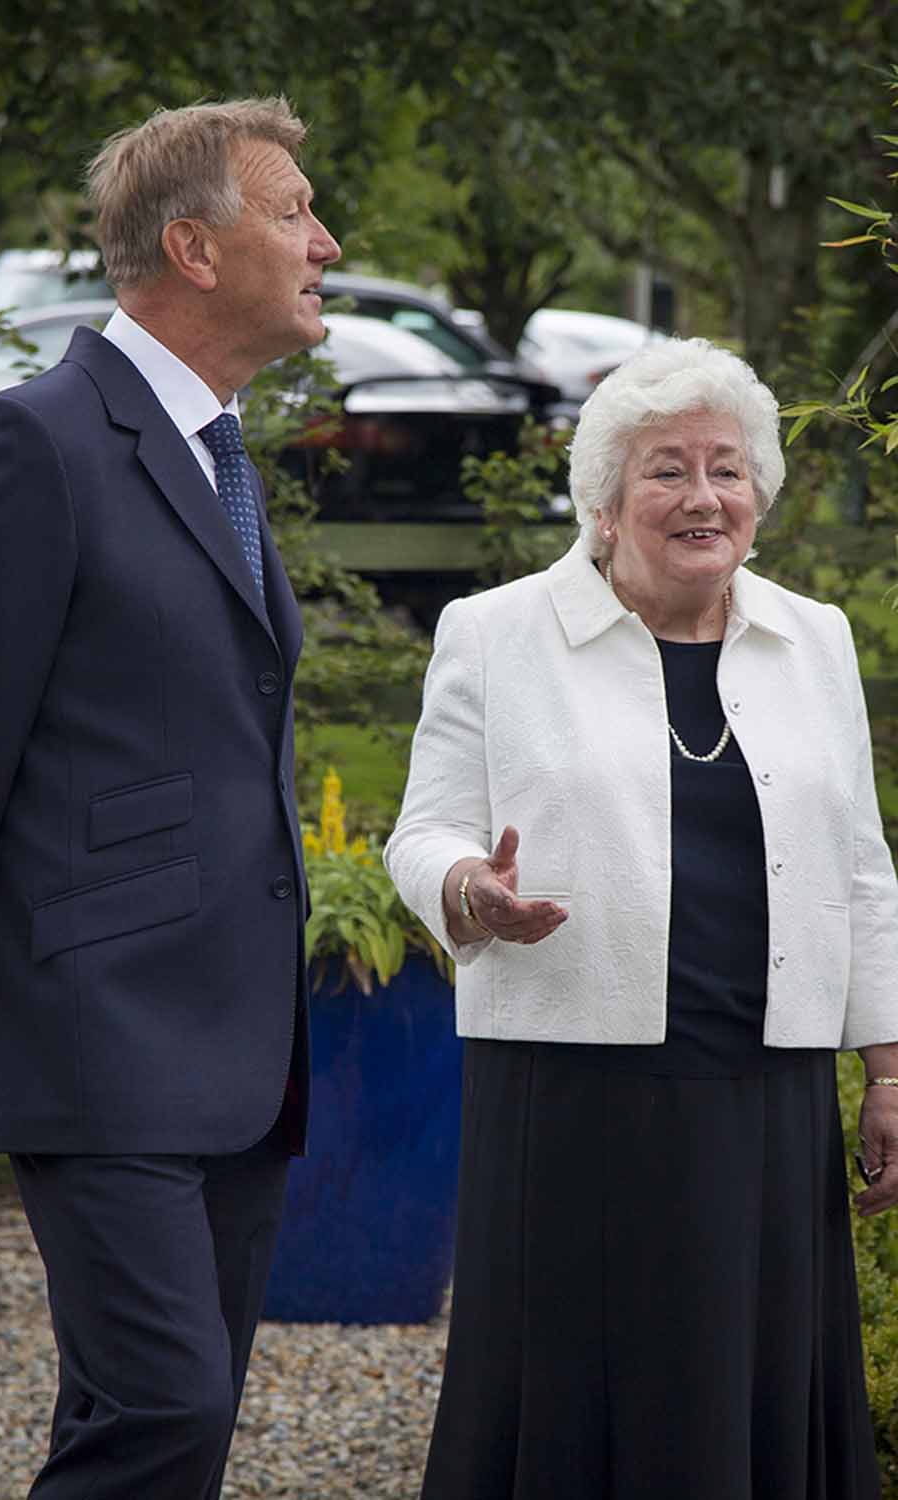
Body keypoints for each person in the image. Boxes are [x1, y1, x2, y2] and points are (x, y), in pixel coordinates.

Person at [0, 98, 340, 1498]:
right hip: (95, 1030)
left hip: (242, 1048)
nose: (327, 242)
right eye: (294, 214)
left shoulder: (223, 453)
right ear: (195, 249)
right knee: (162, 1412)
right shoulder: (33, 446)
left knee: (162, 1429)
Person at [384, 337, 898, 1500]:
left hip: (764, 1091)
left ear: (758, 498)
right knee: (575, 1402)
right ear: (604, 507)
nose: (702, 495)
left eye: (726, 468)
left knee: (750, 1397)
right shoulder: (496, 633)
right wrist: (471, 890)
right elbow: (423, 832)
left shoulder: (811, 638)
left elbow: (861, 866)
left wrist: (886, 1067)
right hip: (571, 1092)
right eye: (666, 469)